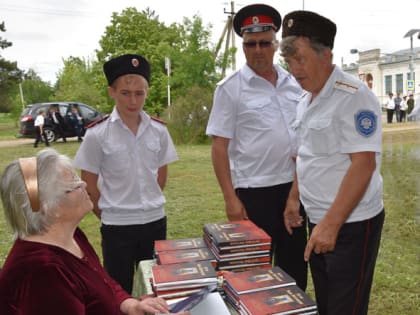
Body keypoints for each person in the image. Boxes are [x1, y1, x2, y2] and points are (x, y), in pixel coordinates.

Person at [280, 11, 385, 315]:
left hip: (350, 223)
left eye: (300, 59)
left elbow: (363, 165)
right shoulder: (306, 100)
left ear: (326, 54)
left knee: (345, 307)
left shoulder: (354, 97)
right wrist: (294, 198)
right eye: (289, 62)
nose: (294, 70)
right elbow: (307, 154)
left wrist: (331, 224)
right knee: (326, 304)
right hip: (320, 220)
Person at [0, 148, 187, 315]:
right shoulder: (42, 271)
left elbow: (103, 284)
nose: (84, 184)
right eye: (73, 184)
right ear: (49, 208)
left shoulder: (71, 236)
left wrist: (130, 305)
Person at [206, 4, 307, 290]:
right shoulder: (230, 89)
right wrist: (230, 198)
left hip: (294, 190)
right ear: (243, 47)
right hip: (254, 195)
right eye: (251, 44)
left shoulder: (294, 83)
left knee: (295, 269)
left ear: (276, 44)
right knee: (252, 275)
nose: (258, 50)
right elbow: (219, 147)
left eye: (265, 43)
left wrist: (295, 194)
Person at [73, 54, 178, 294]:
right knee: (118, 290)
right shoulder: (97, 134)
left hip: (154, 222)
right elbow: (89, 184)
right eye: (125, 93)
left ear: (147, 92)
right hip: (116, 226)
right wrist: (110, 212)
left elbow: (161, 176)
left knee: (155, 287)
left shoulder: (158, 131)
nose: (133, 100)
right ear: (112, 92)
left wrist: (147, 203)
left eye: (139, 93)